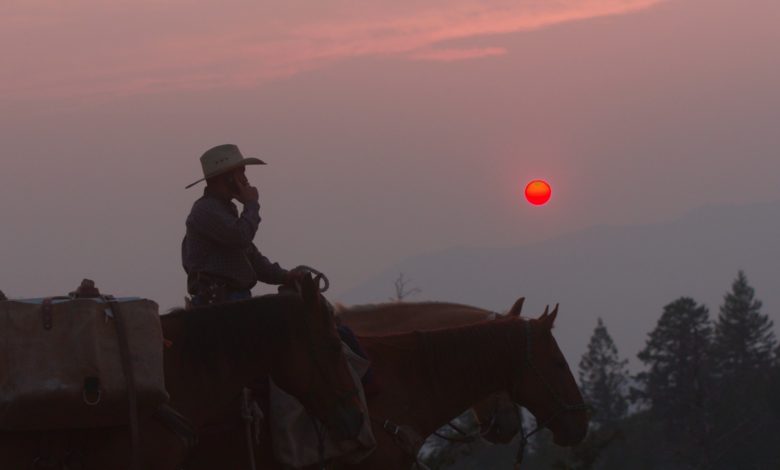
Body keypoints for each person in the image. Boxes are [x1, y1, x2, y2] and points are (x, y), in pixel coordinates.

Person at [182, 144, 302, 306]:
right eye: (241, 172)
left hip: (232, 300)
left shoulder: (222, 209)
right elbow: (241, 237)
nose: (245, 179)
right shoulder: (206, 210)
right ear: (227, 177)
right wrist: (251, 204)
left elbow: (250, 256)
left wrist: (285, 276)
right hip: (220, 306)